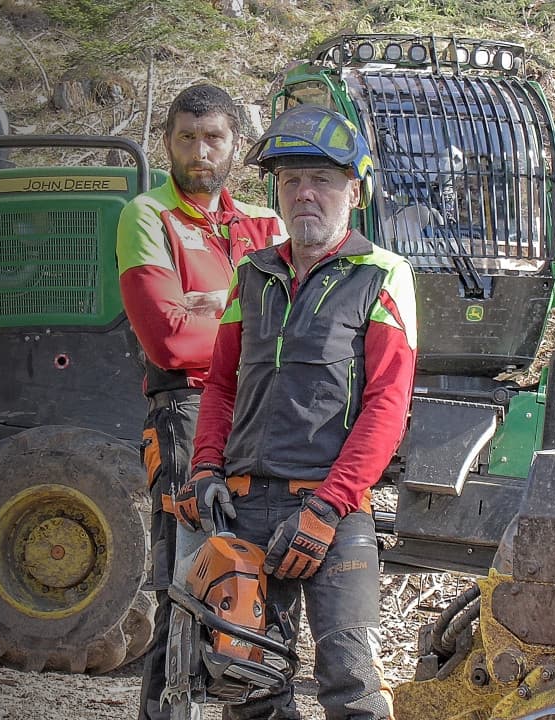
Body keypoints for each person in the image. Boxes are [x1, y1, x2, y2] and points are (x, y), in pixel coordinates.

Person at [177, 104, 417, 720]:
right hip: (246, 504)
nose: (305, 193)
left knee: (350, 678)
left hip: (334, 511)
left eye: (322, 179)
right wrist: (206, 467)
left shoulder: (382, 275)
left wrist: (330, 505)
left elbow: (388, 404)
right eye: (290, 180)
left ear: (354, 190)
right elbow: (222, 385)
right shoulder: (251, 276)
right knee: (248, 683)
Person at [116, 83, 287, 720]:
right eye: (186, 138)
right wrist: (250, 326)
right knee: (190, 584)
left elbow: (301, 327)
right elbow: (169, 341)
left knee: (260, 580)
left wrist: (212, 308)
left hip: (263, 417)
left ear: (236, 145)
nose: (199, 151)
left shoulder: (267, 224)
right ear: (167, 142)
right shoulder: (147, 217)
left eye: (213, 137)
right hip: (185, 415)